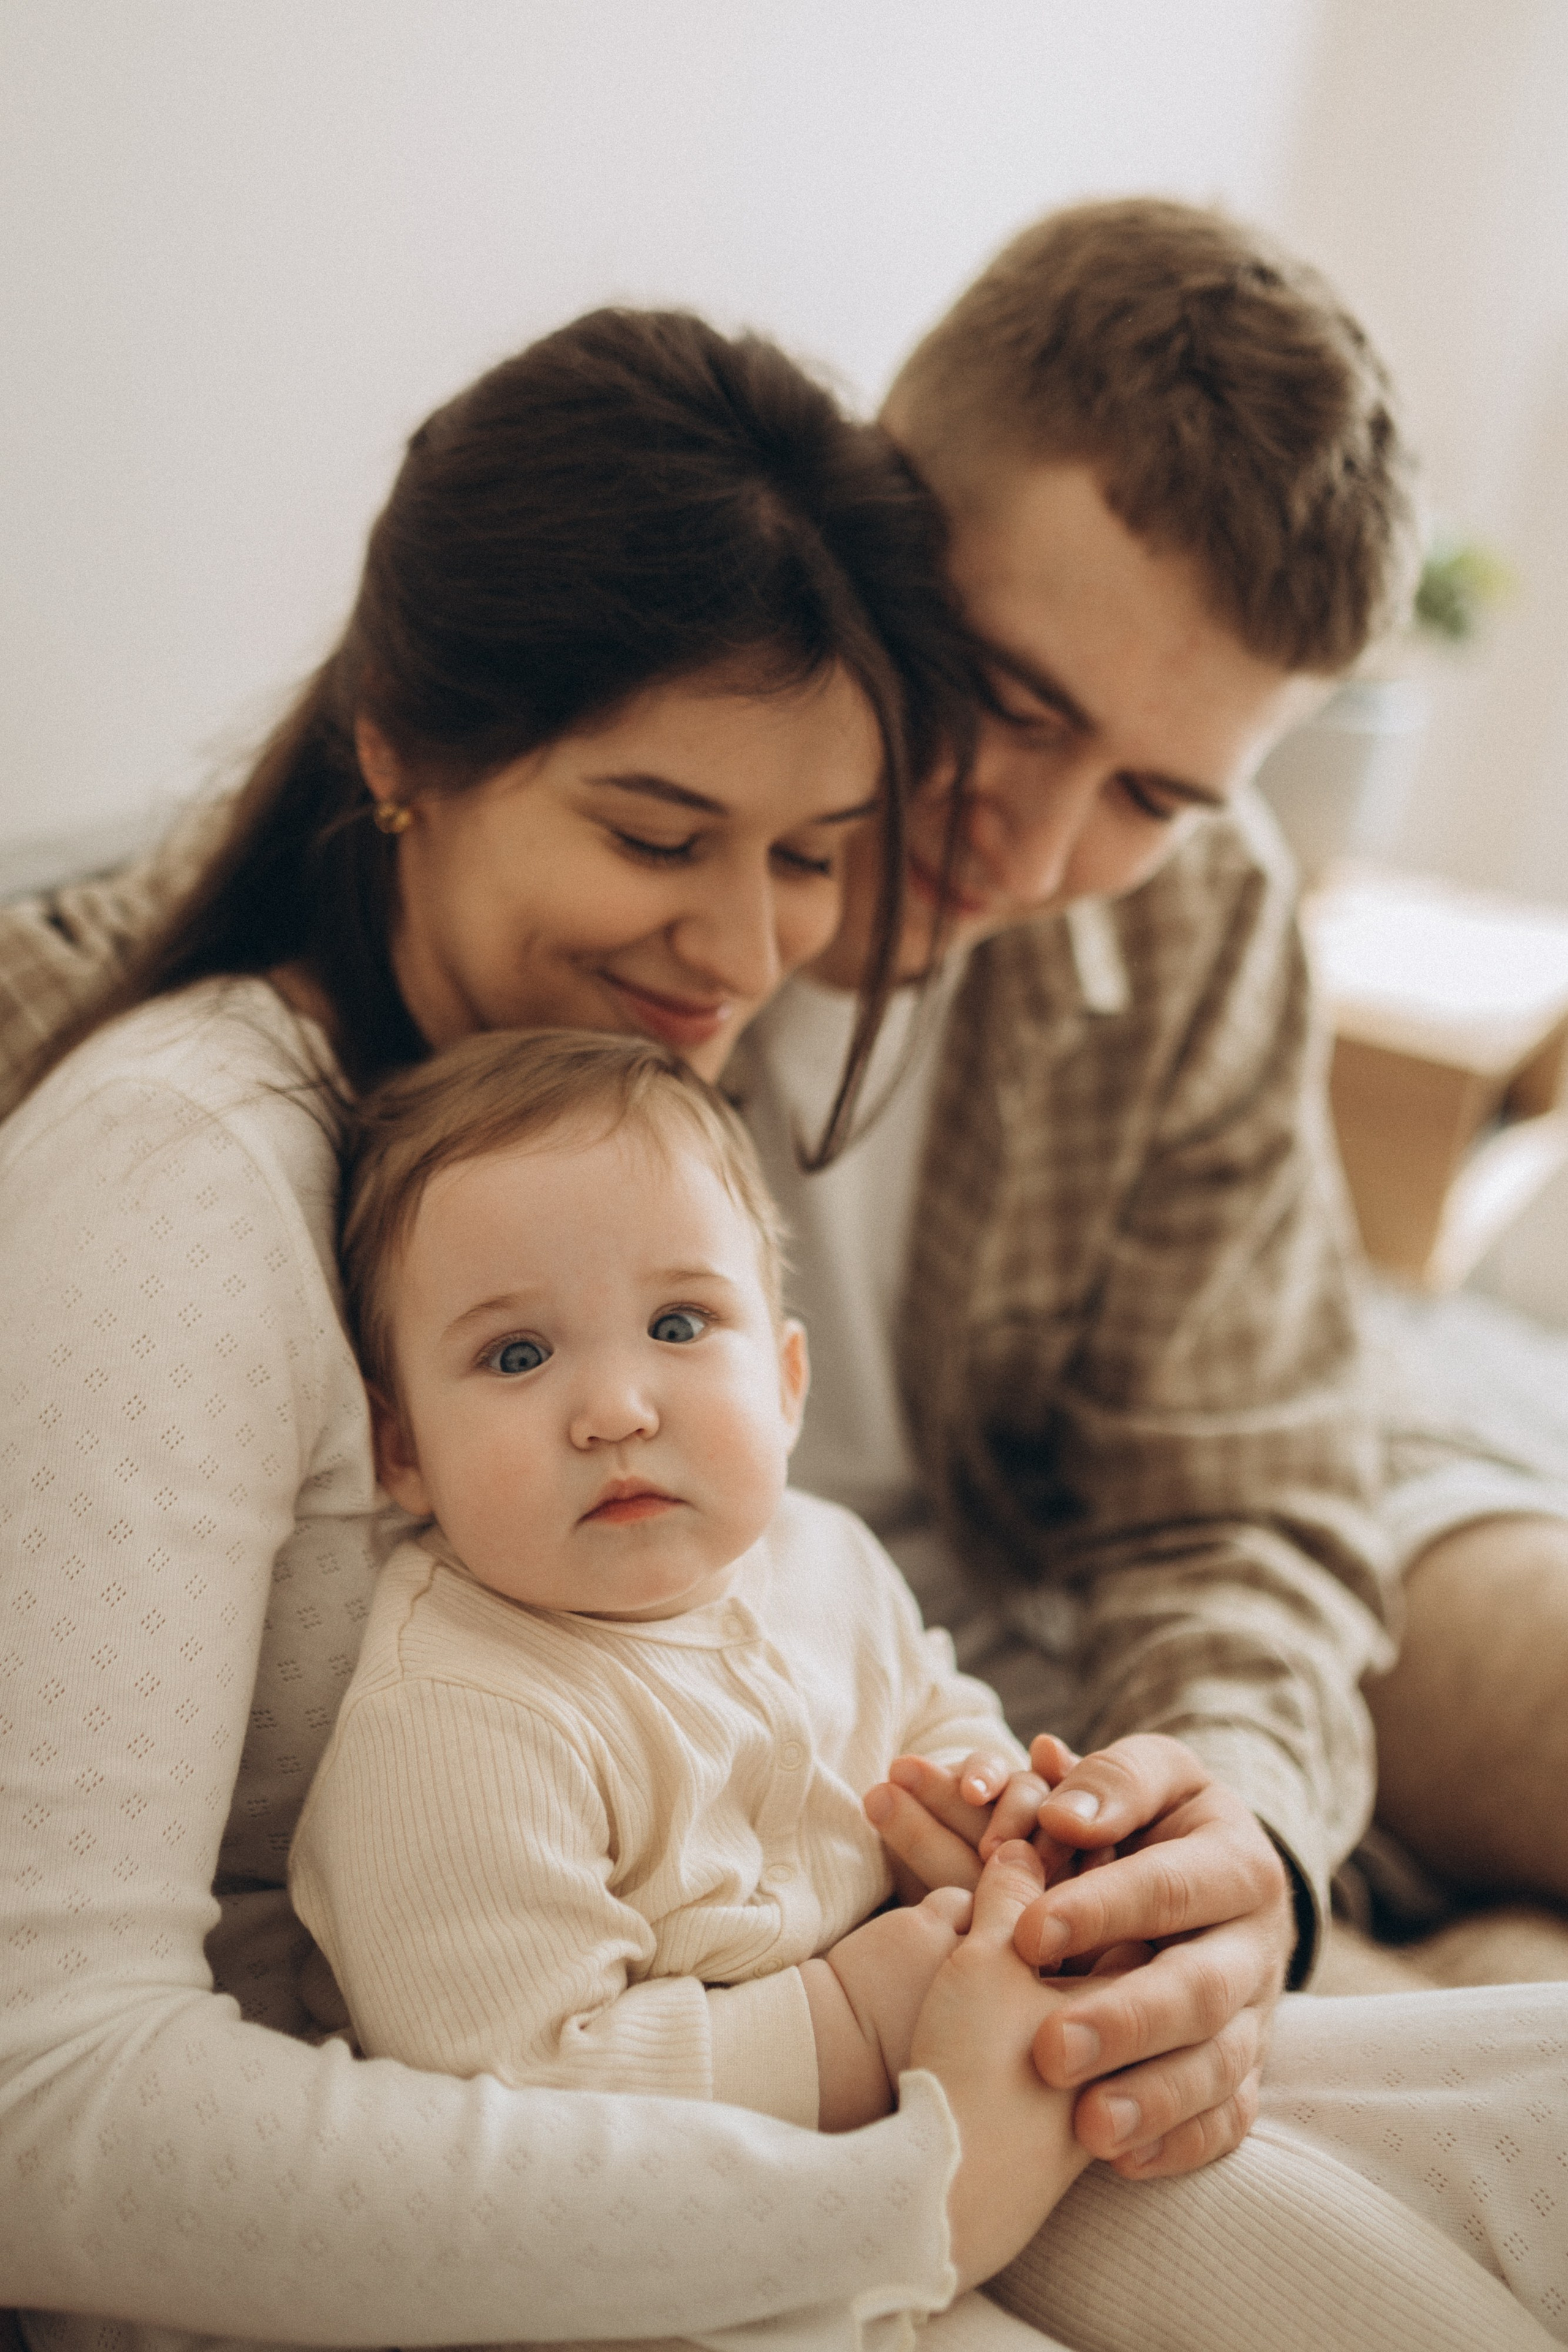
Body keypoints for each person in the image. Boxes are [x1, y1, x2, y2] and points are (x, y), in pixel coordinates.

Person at [0, 304, 1083, 2352]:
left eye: (812, 858)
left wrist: (1115, 1893)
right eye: (657, 837)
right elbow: (42, 2103)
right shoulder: (180, 1181)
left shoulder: (585, 1116)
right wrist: (886, 2203)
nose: (744, 951)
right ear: (397, 745)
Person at [295, 1025, 1564, 2352]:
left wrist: (1013, 1819)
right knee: (1337, 2280)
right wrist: (850, 2021)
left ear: (786, 1382)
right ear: (401, 1448)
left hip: (988, 2054)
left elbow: (932, 1709)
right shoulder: (458, 1718)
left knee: (1488, 2105)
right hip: (753, 2226)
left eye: (678, 1325)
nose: (615, 1406)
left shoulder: (821, 1557)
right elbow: (517, 2096)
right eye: (516, 1356)